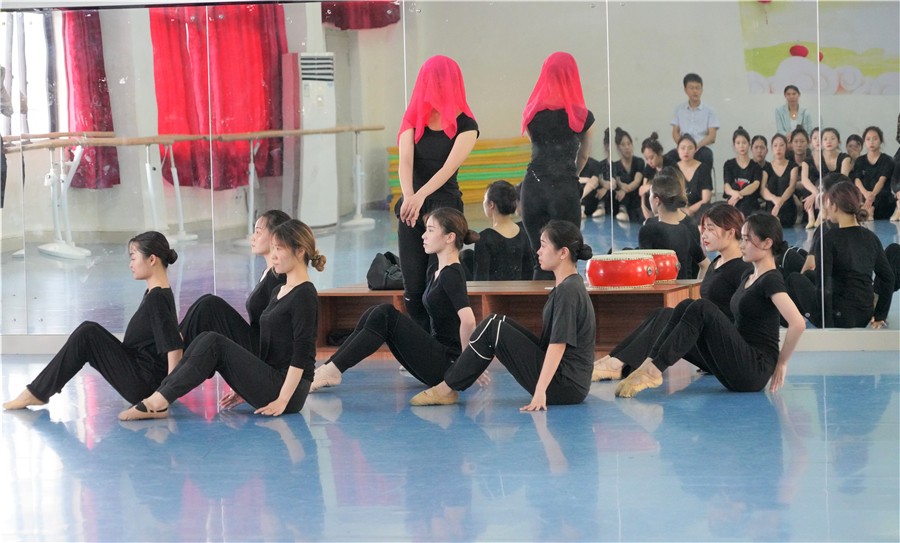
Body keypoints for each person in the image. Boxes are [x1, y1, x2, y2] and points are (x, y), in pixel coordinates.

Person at [118, 219, 325, 420]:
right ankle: (161, 394)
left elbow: (302, 354)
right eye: (273, 248)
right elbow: (270, 350)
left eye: (279, 249)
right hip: (273, 379)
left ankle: (157, 402)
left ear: (300, 251)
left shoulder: (305, 294)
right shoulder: (279, 290)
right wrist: (247, 384)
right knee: (205, 336)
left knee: (213, 342)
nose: (274, 255)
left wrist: (283, 400)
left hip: (289, 393)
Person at [408, 220, 595, 411]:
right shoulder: (567, 285)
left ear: (563, 253)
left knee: (493, 329)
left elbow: (558, 345)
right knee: (495, 320)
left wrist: (540, 391)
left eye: (544, 246)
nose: (538, 251)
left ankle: (446, 388)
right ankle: (454, 380)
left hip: (565, 386)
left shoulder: (568, 291)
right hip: (565, 381)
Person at [614, 213, 806, 398]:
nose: (741, 245)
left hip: (755, 369)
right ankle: (649, 364)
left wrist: (781, 364)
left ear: (767, 243)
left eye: (747, 240)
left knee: (702, 307)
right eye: (742, 239)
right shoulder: (748, 275)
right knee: (686, 305)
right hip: (738, 363)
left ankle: (654, 370)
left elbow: (797, 323)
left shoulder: (771, 279)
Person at [4, 232, 183, 410]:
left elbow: (174, 347)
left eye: (133, 258)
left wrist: (164, 395)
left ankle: (36, 393)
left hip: (143, 384)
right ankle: (37, 391)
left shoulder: (157, 298)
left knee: (87, 333)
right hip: (139, 371)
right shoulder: (157, 293)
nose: (130, 264)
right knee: (88, 331)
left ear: (151, 259)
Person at [309, 208, 478, 393]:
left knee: (385, 314)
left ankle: (332, 371)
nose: (423, 235)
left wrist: (466, 364)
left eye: (430, 230)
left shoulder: (452, 273)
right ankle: (330, 368)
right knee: (376, 311)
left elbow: (468, 320)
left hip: (448, 365)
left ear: (449, 237)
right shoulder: (436, 271)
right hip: (436, 354)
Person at [593, 203, 751, 381]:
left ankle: (616, 364)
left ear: (730, 232)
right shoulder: (717, 263)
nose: (704, 234)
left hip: (727, 352)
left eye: (710, 229)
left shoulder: (743, 269)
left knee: (666, 319)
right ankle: (614, 359)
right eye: (704, 228)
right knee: (662, 314)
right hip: (709, 343)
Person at [396, 55, 478, 332]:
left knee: (439, 279)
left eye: (441, 81)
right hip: (411, 207)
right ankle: (421, 340)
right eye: (432, 81)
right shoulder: (412, 118)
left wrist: (420, 196)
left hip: (445, 208)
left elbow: (448, 168)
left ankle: (443, 341)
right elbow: (405, 161)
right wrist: (409, 196)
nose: (436, 87)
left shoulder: (467, 124)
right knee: (413, 284)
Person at [519, 51, 596, 280]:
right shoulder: (583, 116)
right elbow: (583, 156)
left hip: (533, 186)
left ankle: (538, 302)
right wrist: (572, 174)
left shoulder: (531, 112)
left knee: (539, 259)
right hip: (564, 188)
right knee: (566, 258)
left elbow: (537, 147)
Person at [179, 210, 290, 354]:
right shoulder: (268, 273)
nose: (253, 237)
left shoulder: (279, 277)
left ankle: (174, 348)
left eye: (258, 232)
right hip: (256, 341)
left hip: (262, 350)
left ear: (275, 236)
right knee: (206, 301)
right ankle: (176, 343)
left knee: (210, 305)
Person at [786, 182, 894, 329]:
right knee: (810, 275)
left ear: (835, 206)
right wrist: (880, 315)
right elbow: (888, 277)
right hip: (865, 314)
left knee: (794, 278)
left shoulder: (828, 239)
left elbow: (824, 285)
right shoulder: (871, 237)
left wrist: (828, 326)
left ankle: (788, 322)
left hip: (839, 316)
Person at [638, 169, 709, 280]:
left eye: (650, 195)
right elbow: (705, 264)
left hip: (659, 290)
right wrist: (693, 288)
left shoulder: (648, 230)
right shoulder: (684, 230)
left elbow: (643, 270)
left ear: (657, 200)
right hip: (681, 289)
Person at [474, 180, 534, 280]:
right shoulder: (523, 234)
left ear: (491, 204)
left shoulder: (484, 238)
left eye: (484, 199)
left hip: (493, 291)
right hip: (520, 290)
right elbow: (529, 274)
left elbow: (480, 279)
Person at [667, 73, 719, 166]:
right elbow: (675, 133)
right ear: (685, 90)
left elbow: (712, 136)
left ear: (702, 90)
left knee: (707, 155)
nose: (695, 91)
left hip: (701, 147)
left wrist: (694, 147)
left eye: (698, 88)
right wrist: (683, 147)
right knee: (667, 158)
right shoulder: (679, 109)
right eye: (691, 88)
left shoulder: (709, 111)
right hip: (683, 148)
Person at [852, 126, 895, 220]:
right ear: (864, 142)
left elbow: (882, 180)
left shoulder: (887, 160)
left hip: (882, 199)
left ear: (881, 141)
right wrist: (865, 194)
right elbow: (857, 180)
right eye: (868, 139)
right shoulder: (860, 160)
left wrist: (872, 195)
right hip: (864, 198)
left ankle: (870, 212)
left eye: (875, 139)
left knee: (881, 199)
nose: (871, 142)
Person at [722, 126, 763, 217]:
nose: (741, 146)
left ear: (749, 144)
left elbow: (755, 185)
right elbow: (727, 187)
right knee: (735, 186)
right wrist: (735, 194)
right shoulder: (729, 164)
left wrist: (738, 195)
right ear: (734, 145)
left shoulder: (755, 166)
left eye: (744, 142)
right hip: (733, 202)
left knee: (745, 194)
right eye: (738, 143)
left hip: (750, 204)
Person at [761, 133, 800, 228]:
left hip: (788, 210)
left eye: (781, 145)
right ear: (771, 148)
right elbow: (762, 189)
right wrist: (774, 198)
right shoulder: (767, 167)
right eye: (775, 145)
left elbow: (791, 187)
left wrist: (779, 203)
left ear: (786, 147)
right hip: (771, 210)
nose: (778, 148)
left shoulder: (793, 166)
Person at [612, 127, 646, 222]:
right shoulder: (615, 165)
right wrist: (623, 189)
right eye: (623, 144)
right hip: (623, 204)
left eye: (629, 143)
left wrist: (624, 190)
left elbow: (637, 181)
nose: (627, 147)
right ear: (618, 147)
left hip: (638, 203)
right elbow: (618, 183)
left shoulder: (639, 162)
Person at [675, 134, 713, 217]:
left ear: (696, 150)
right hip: (677, 210)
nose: (686, 151)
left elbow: (706, 199)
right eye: (682, 148)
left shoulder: (703, 168)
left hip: (699, 209)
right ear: (677, 150)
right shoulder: (673, 169)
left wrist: (689, 210)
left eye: (690, 148)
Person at [640, 131, 675, 220]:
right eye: (646, 159)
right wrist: (643, 207)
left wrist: (650, 186)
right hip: (652, 207)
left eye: (652, 157)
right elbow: (642, 190)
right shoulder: (648, 167)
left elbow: (668, 187)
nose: (649, 162)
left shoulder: (670, 165)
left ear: (659, 153)